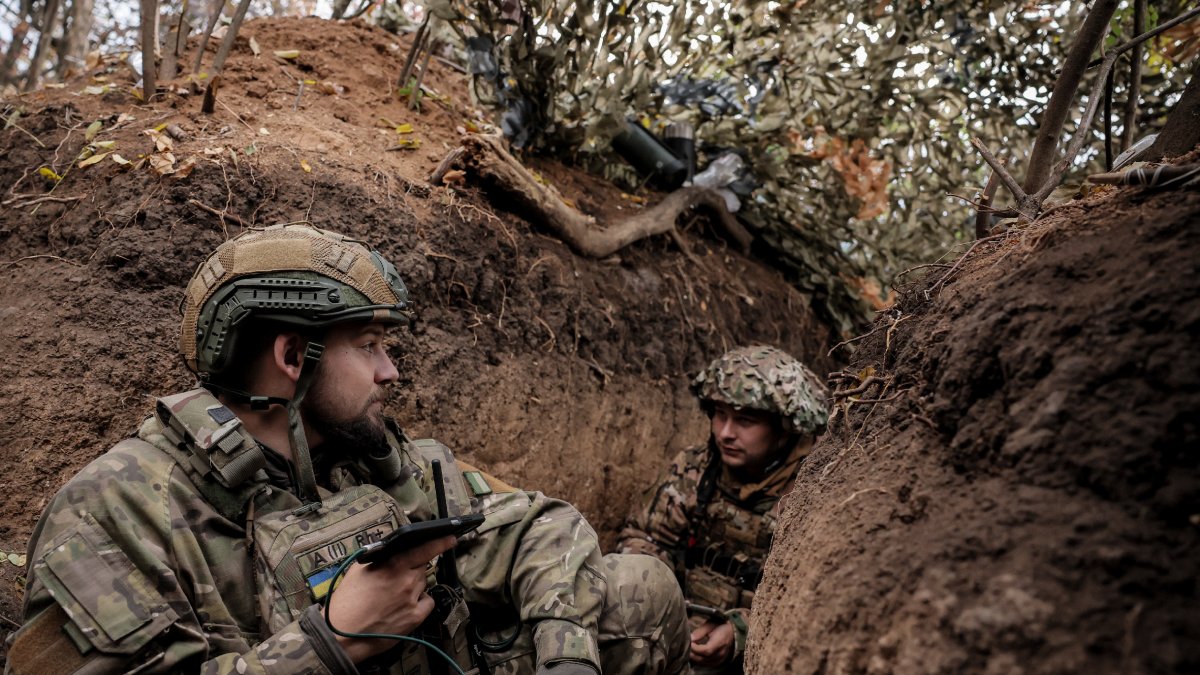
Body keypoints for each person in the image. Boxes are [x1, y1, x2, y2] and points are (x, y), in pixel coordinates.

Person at [5, 224, 689, 675]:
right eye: (368, 346)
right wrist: (330, 642)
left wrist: (566, 656)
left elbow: (538, 524)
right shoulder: (114, 510)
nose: (391, 371)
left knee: (640, 590)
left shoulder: (362, 456)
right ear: (291, 356)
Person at [616, 345, 830, 673]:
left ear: (784, 427)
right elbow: (644, 539)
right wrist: (664, 610)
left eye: (745, 420)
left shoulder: (815, 487)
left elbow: (812, 601)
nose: (726, 433)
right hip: (679, 627)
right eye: (719, 414)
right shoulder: (696, 468)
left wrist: (741, 631)